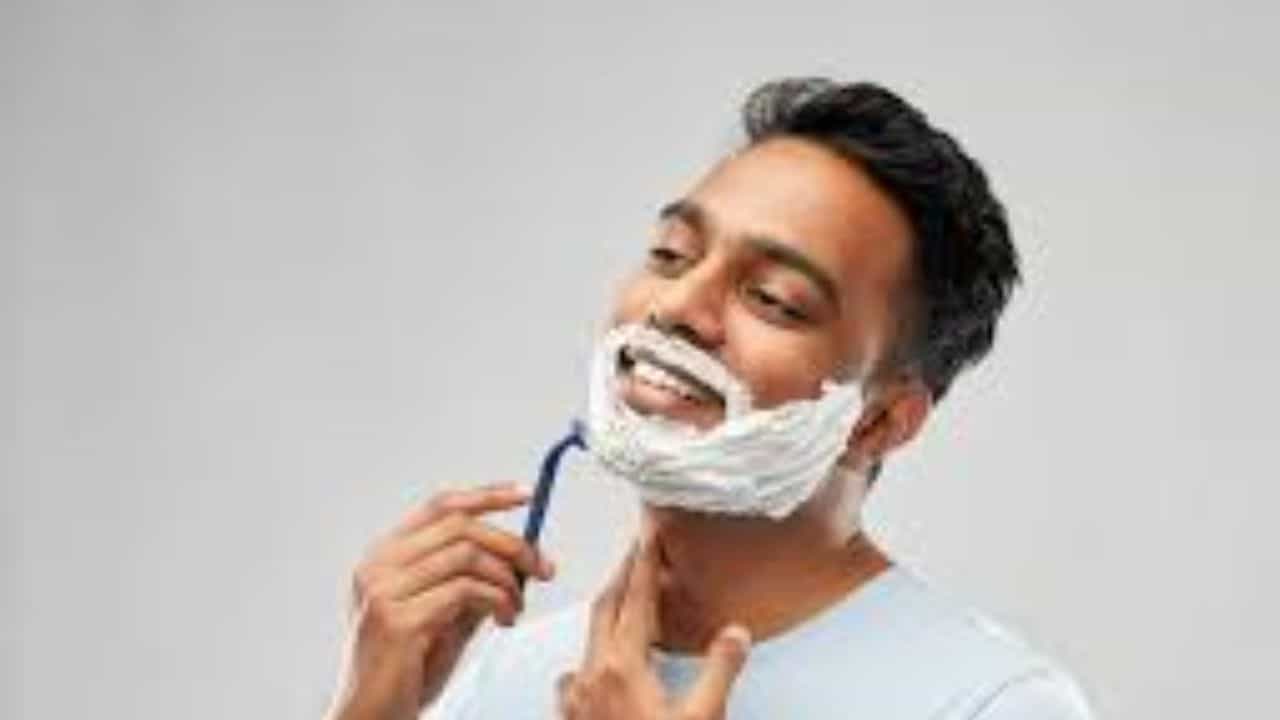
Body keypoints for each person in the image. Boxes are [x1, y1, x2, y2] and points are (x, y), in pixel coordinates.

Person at [323, 77, 1095, 720]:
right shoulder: (501, 678)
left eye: (773, 298)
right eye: (671, 255)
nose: (677, 306)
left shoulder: (993, 704)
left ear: (879, 421)